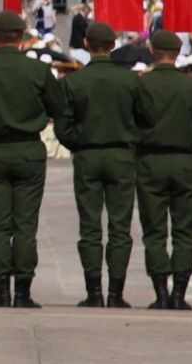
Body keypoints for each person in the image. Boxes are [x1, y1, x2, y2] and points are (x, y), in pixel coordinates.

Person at [0, 10, 67, 308]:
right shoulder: (37, 72)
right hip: (28, 150)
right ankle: (22, 292)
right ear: (22, 36)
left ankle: (1, 292)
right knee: (25, 224)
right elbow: (59, 107)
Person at [56, 21, 139, 308]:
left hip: (88, 155)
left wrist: (79, 142)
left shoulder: (74, 82)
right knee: (120, 226)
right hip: (120, 155)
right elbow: (144, 120)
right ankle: (116, 293)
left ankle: (94, 291)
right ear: (113, 46)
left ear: (87, 45)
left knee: (89, 226)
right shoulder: (130, 81)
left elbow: (62, 126)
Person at [133, 30, 192, 309]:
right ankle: (179, 294)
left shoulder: (141, 85)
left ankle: (160, 292)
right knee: (184, 229)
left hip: (151, 161)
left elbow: (130, 122)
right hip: (184, 161)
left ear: (154, 52)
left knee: (154, 230)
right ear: (177, 53)